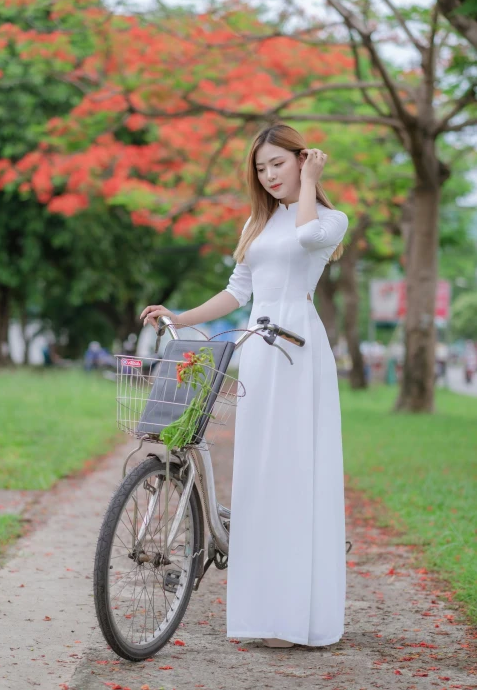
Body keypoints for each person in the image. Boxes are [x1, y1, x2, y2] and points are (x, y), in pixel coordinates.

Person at [140, 122, 349, 650]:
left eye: (279, 163)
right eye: (261, 168)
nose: (269, 174)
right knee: (258, 473)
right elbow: (237, 293)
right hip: (257, 348)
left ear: (303, 160)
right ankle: (263, 615)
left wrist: (311, 182)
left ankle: (299, 616)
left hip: (299, 349)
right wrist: (179, 315)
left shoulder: (328, 219)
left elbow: (305, 237)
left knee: (295, 472)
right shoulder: (257, 224)